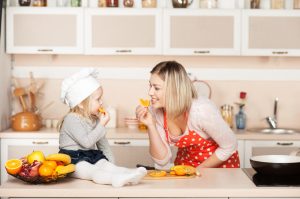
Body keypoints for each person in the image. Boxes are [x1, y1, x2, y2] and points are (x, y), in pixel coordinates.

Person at [136, 61, 240, 170]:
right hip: (186, 165)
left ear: (174, 89)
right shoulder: (156, 111)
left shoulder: (201, 110)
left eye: (156, 88)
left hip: (219, 169)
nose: (150, 92)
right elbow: (162, 160)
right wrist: (151, 126)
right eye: (150, 86)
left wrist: (197, 171)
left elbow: (229, 146)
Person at [59, 68, 146, 187]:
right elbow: (86, 143)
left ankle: (131, 175)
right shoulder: (72, 119)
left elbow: (103, 144)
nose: (101, 103)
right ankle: (114, 179)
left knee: (106, 165)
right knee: (94, 172)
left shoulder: (93, 119)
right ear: (80, 103)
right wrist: (102, 125)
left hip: (89, 155)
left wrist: (111, 166)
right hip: (72, 160)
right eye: (97, 99)